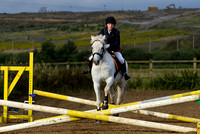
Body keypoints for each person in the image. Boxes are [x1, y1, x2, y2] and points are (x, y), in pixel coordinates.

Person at [83, 16, 131, 81]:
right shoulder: (102, 31)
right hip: (104, 50)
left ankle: (124, 73)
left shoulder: (116, 32)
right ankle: (89, 69)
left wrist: (109, 46)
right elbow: (98, 38)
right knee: (91, 57)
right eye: (109, 24)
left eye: (112, 24)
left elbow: (117, 43)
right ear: (106, 25)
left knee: (121, 60)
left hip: (114, 50)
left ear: (114, 25)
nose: (110, 25)